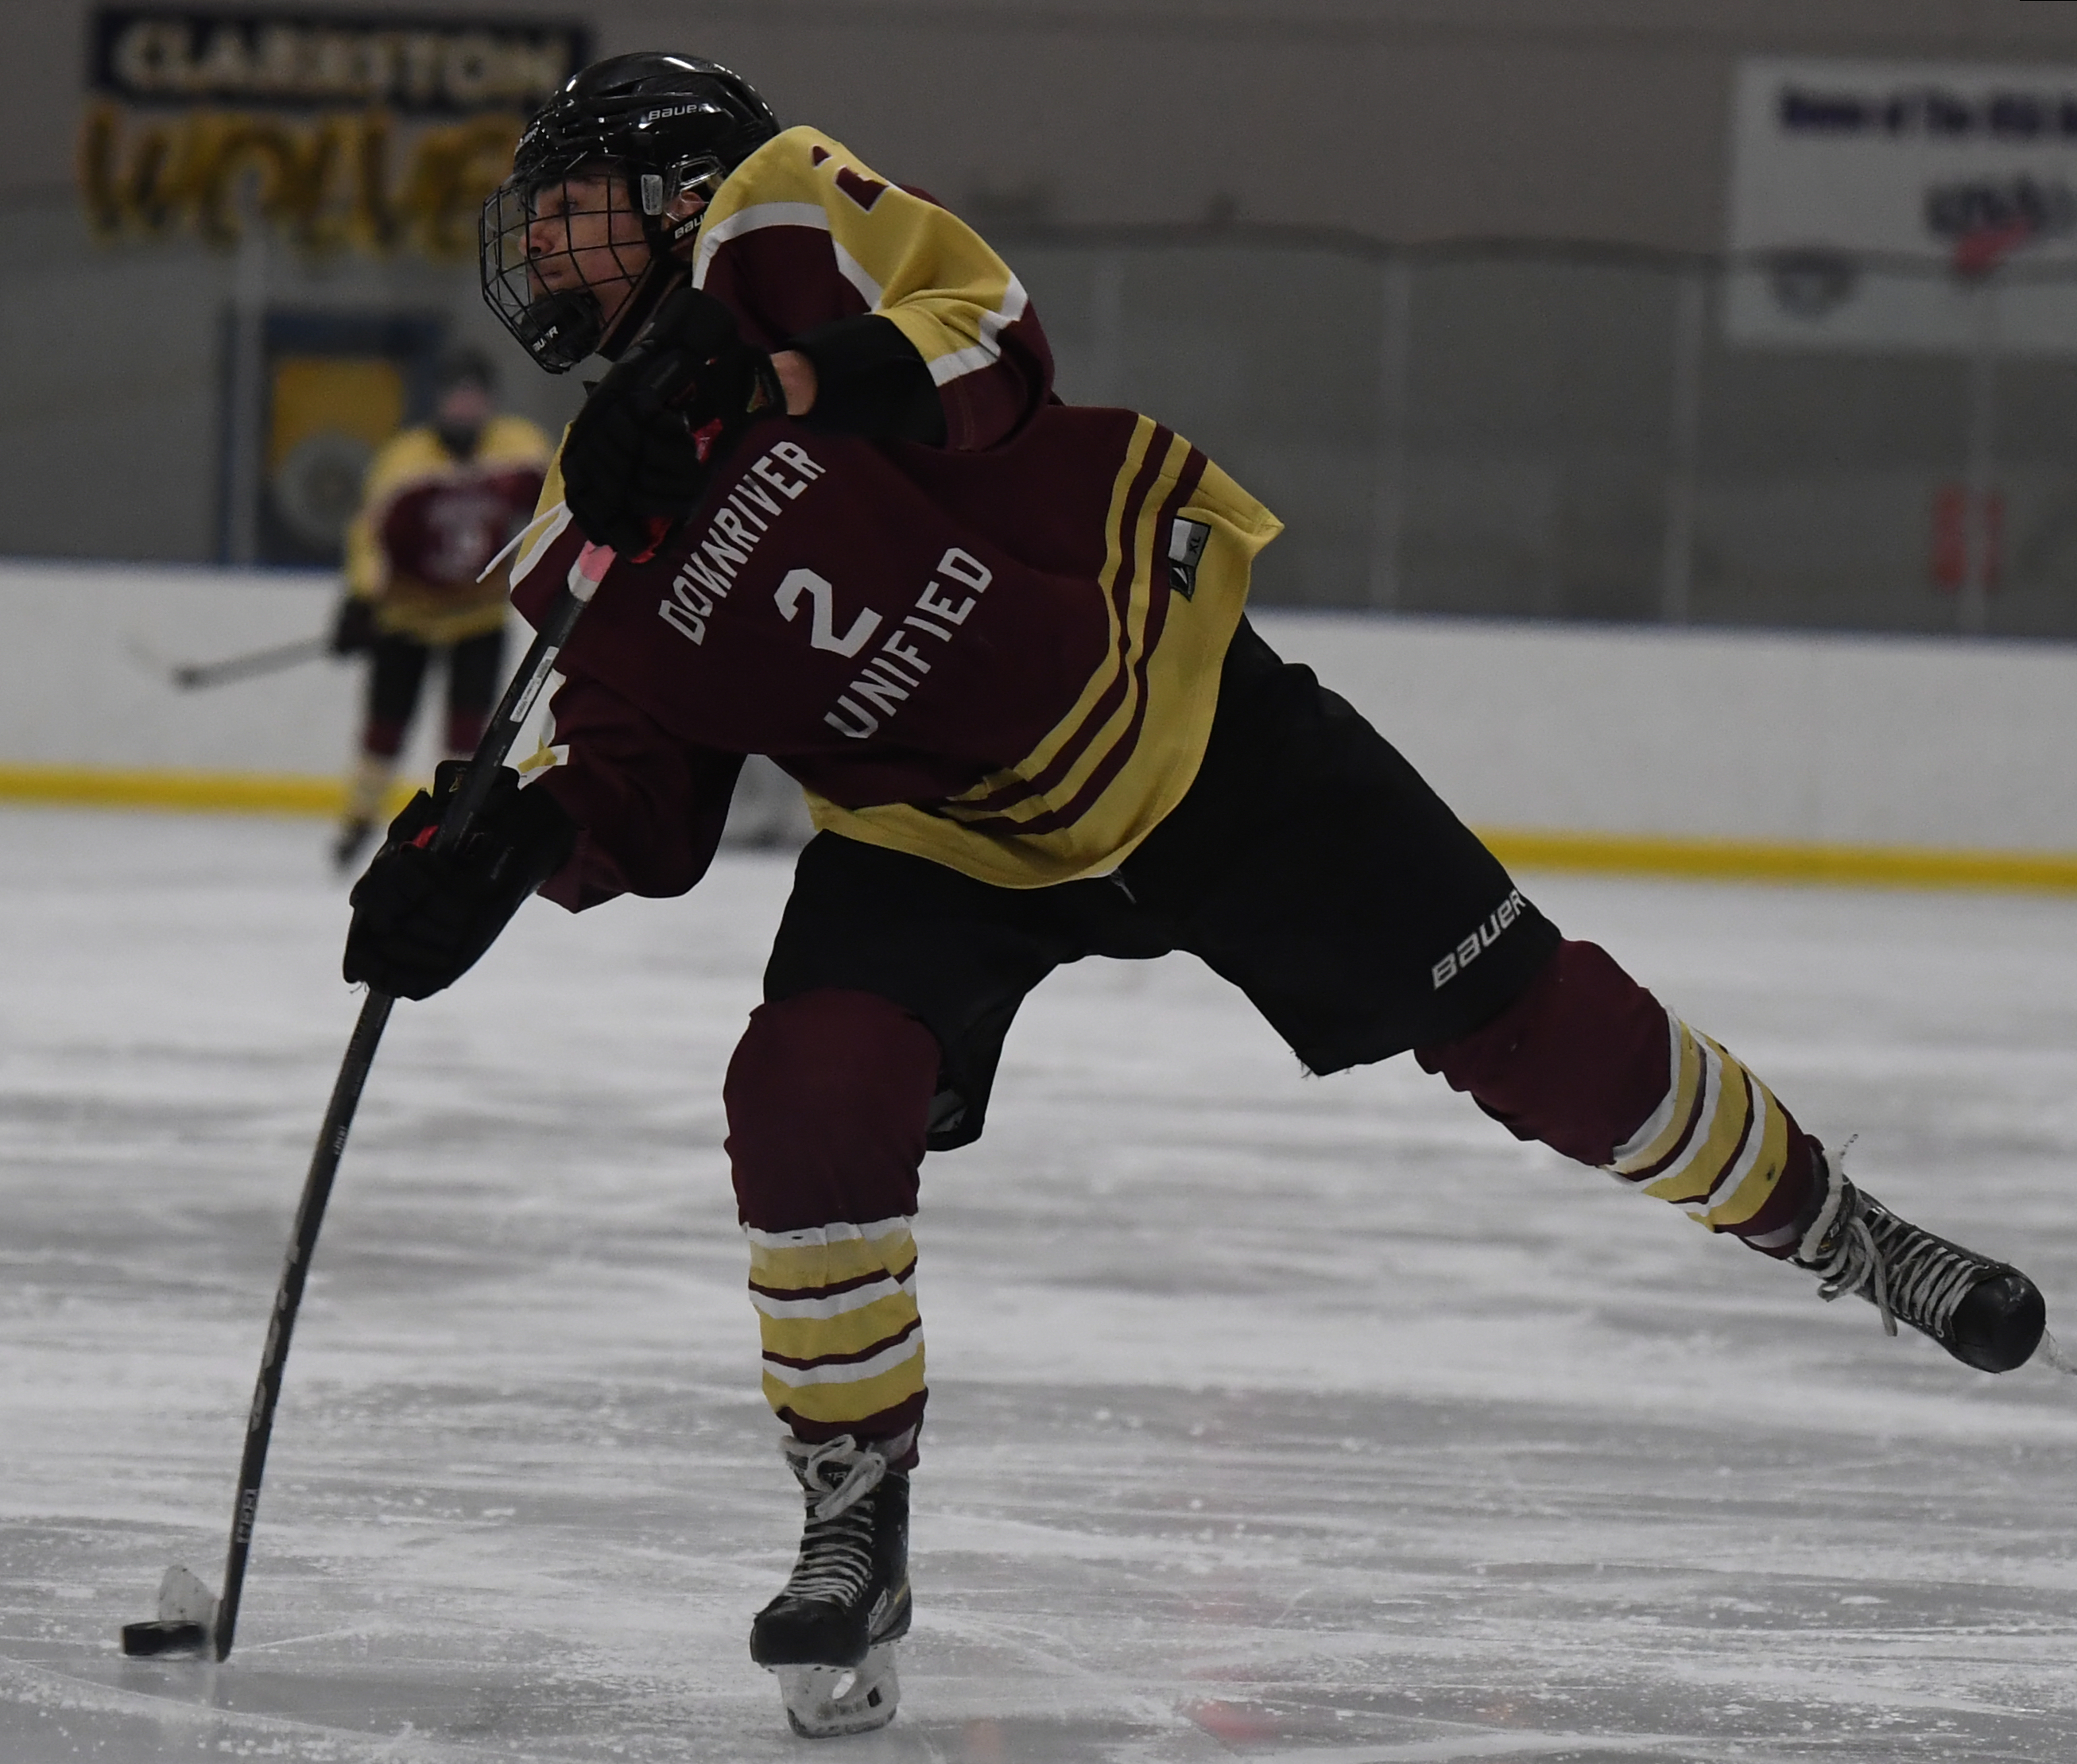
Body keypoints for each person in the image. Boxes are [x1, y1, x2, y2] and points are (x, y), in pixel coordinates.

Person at [343, 53, 2049, 1739]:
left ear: (678, 188)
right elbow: (643, 804)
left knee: (1535, 1024)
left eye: (570, 207)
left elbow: (988, 345)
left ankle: (1844, 1229)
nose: (540, 247)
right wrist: (503, 846)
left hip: (1170, 705)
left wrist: (775, 378)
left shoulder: (780, 222)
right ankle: (853, 1499)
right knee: (805, 1083)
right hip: (937, 831)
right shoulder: (584, 533)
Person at [328, 347, 552, 870]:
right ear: (439, 401)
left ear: (490, 402)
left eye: (475, 396)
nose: (465, 407)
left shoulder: (520, 449)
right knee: (384, 729)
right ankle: (358, 821)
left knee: (467, 735)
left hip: (479, 619)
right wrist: (362, 597)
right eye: (456, 395)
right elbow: (370, 535)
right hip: (407, 620)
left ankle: (454, 825)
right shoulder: (406, 461)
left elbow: (555, 507)